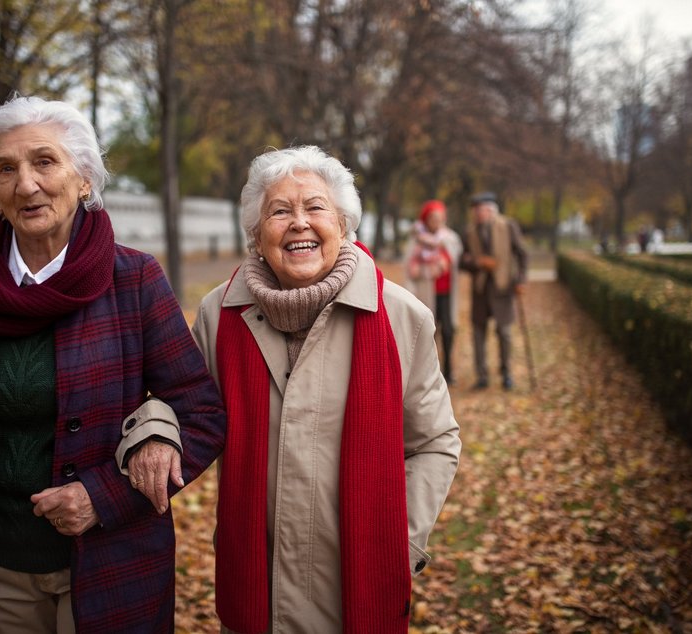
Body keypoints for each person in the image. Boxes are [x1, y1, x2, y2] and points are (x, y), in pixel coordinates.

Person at [0, 94, 226, 633]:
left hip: (110, 560)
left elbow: (202, 413)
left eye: (45, 162)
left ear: (84, 179)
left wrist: (104, 496)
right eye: (6, 169)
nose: (26, 185)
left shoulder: (132, 278)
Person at [122, 146, 461, 633]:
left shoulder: (401, 316)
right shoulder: (220, 315)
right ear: (257, 235)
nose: (299, 222)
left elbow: (434, 442)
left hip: (357, 584)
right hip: (254, 582)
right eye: (279, 211)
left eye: (316, 207)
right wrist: (154, 432)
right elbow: (183, 403)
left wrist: (397, 545)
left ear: (343, 225)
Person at [459, 191, 528, 391]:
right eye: (475, 211)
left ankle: (507, 374)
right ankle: (482, 376)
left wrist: (521, 279)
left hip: (503, 287)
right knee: (478, 333)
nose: (477, 214)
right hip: (480, 290)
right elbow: (462, 260)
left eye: (481, 210)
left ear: (491, 211)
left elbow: (522, 253)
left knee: (504, 332)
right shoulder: (470, 231)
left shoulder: (507, 226)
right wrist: (476, 262)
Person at [404, 199, 463, 385]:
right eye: (432, 218)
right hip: (425, 293)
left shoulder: (450, 238)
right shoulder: (416, 240)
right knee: (429, 332)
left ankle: (448, 371)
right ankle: (430, 372)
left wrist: (443, 260)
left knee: (449, 330)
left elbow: (455, 259)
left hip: (447, 292)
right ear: (426, 219)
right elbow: (410, 269)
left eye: (439, 218)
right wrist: (429, 270)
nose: (436, 221)